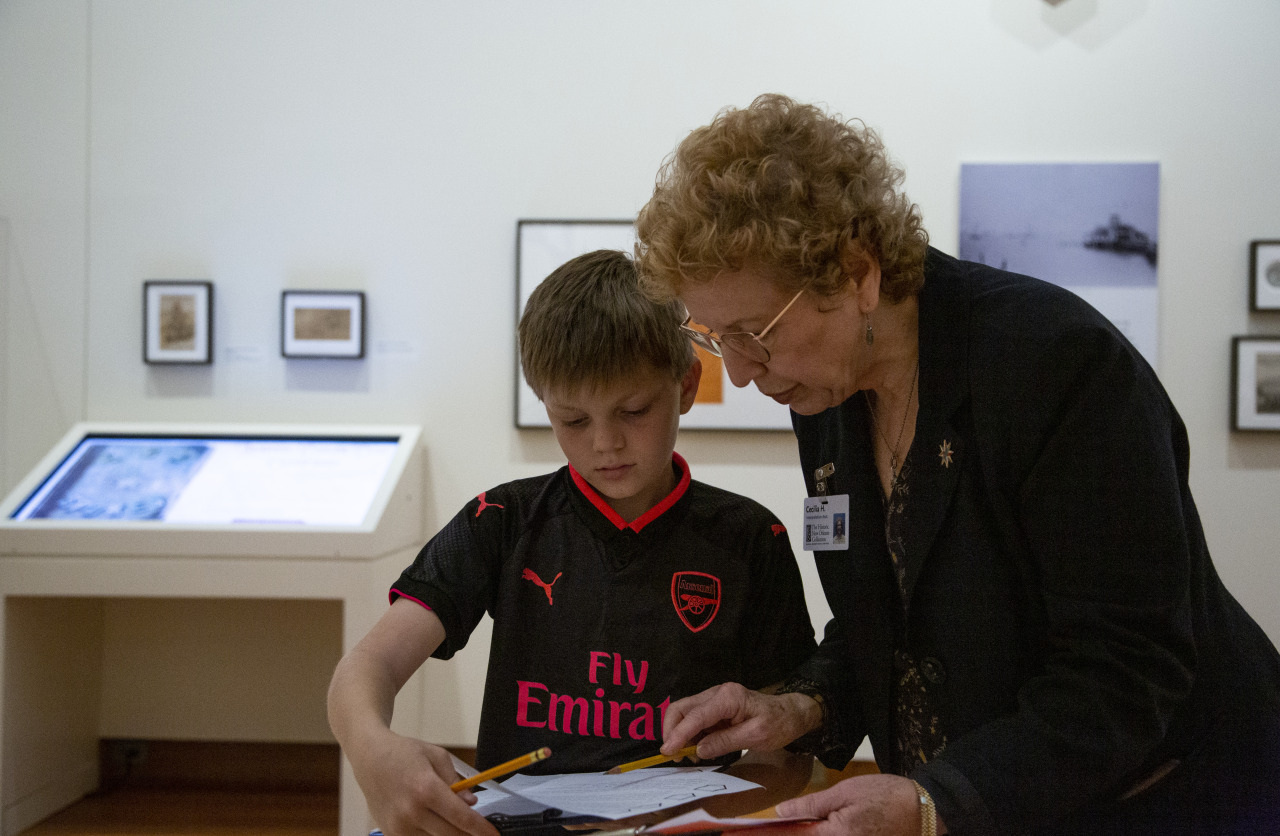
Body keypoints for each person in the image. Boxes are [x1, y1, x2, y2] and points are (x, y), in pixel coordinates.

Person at [633, 94, 1280, 835]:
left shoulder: (1057, 365)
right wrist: (797, 704)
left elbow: (1127, 666)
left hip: (1173, 798)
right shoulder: (826, 395)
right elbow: (889, 620)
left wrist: (934, 800)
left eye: (755, 334)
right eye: (717, 339)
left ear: (858, 273)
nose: (743, 373)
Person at [327, 249, 817, 836]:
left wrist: (721, 815)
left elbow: (785, 746)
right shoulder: (502, 519)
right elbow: (366, 666)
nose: (605, 443)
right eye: (574, 421)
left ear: (686, 384)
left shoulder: (749, 538)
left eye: (633, 410)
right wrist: (373, 750)